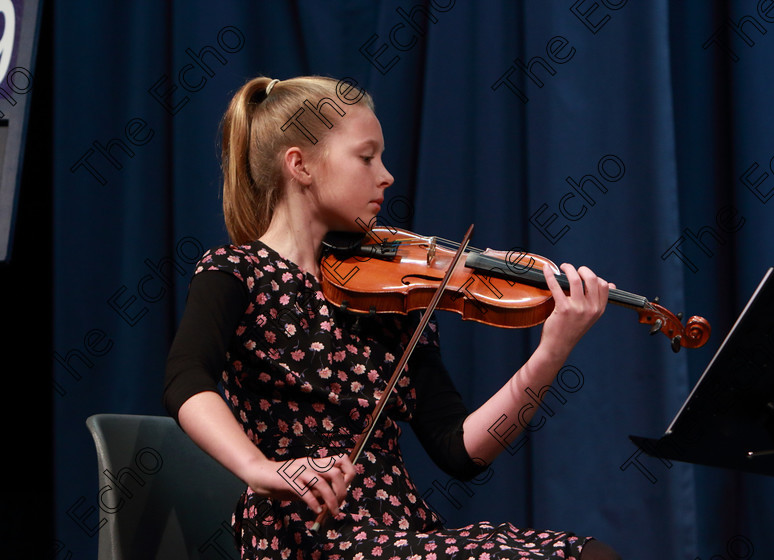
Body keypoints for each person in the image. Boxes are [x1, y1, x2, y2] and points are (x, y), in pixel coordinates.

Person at [164, 75, 621, 560]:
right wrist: (261, 469)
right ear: (300, 166)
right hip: (304, 533)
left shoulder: (388, 294)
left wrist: (552, 351)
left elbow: (459, 450)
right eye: (366, 157)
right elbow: (185, 380)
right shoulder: (236, 272)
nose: (386, 176)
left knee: (591, 556)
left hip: (400, 530)